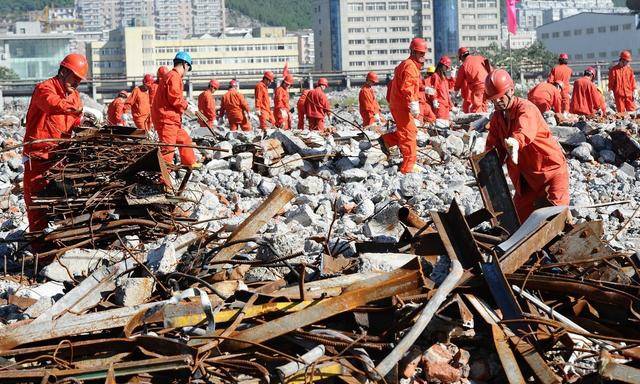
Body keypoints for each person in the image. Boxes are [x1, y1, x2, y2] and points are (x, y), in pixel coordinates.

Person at [484, 69, 569, 221]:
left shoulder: (526, 108)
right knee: (518, 223)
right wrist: (486, 165)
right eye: (493, 99)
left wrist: (515, 142)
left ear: (511, 90)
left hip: (550, 173)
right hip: (526, 180)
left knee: (558, 222)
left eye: (500, 97)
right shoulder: (498, 117)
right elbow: (493, 147)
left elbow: (525, 130)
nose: (496, 102)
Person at [23, 53, 89, 233]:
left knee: (63, 202)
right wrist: (75, 109)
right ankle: (39, 250)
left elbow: (76, 124)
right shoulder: (44, 88)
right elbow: (52, 104)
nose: (76, 83)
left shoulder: (75, 96)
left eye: (79, 80)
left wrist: (85, 123)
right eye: (74, 78)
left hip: (59, 159)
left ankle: (60, 242)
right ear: (63, 71)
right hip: (37, 158)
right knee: (37, 205)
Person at [380, 37, 427, 174]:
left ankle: (387, 140)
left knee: (407, 131)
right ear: (413, 52)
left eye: (423, 53)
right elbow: (408, 88)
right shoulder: (410, 67)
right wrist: (413, 104)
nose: (423, 56)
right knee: (409, 134)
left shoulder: (408, 65)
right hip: (402, 105)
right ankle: (407, 168)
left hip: (399, 104)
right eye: (420, 53)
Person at [151, 51, 198, 168]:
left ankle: (189, 162)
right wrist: (187, 107)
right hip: (167, 120)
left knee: (184, 140)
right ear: (184, 64)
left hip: (172, 120)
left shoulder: (171, 76)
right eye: (188, 67)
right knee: (168, 150)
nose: (187, 71)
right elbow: (175, 98)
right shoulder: (174, 76)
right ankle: (163, 182)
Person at [454, 47, 490, 113]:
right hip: (488, 85)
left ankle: (478, 123)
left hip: (478, 87)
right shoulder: (480, 58)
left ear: (461, 57)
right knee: (484, 107)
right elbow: (489, 68)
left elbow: (458, 82)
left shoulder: (464, 65)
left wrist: (455, 91)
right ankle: (485, 123)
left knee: (476, 109)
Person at [425, 56, 453, 125]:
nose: (446, 69)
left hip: (446, 104)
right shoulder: (436, 76)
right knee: (441, 123)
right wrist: (434, 99)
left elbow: (447, 92)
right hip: (440, 104)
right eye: (446, 67)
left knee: (446, 124)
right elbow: (434, 89)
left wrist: (451, 105)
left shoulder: (444, 78)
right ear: (442, 65)